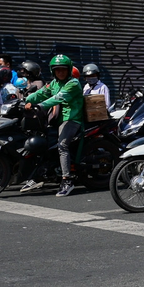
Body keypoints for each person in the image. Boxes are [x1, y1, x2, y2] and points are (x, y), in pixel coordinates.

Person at [22, 54, 84, 197]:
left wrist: (39, 105)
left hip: (71, 119)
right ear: (53, 71)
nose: (60, 72)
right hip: (56, 119)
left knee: (62, 145)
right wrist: (26, 100)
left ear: (68, 70)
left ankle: (67, 180)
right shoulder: (54, 83)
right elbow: (41, 93)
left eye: (63, 69)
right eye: (57, 70)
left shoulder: (73, 83)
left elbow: (58, 98)